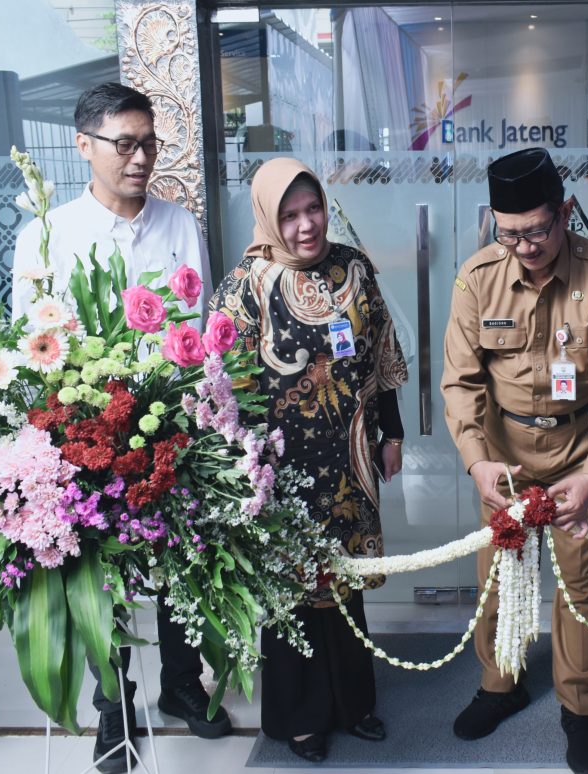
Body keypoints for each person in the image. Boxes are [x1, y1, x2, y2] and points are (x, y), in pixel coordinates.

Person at [11, 82, 226, 774]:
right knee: (102, 574)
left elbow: (197, 330)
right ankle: (115, 709)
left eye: (149, 144)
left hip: (166, 421)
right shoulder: (48, 233)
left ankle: (183, 688)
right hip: (85, 427)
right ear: (84, 146)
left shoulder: (179, 223)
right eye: (125, 144)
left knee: (177, 559)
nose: (141, 158)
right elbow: (29, 342)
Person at [441, 147, 588, 774]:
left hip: (582, 448)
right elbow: (460, 382)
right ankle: (499, 686)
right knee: (500, 579)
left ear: (566, 213)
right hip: (505, 457)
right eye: (509, 233)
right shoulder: (478, 277)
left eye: (536, 230)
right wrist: (478, 464)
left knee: (583, 589)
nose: (523, 246)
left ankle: (580, 710)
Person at [209, 157, 407, 764]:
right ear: (270, 217)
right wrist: (235, 463)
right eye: (289, 215)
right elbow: (221, 382)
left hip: (349, 458)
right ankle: (301, 716)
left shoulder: (354, 267)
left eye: (313, 208)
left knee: (343, 583)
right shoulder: (246, 284)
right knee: (291, 589)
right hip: (279, 467)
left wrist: (391, 433)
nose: (305, 226)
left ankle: (354, 704)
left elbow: (381, 353)